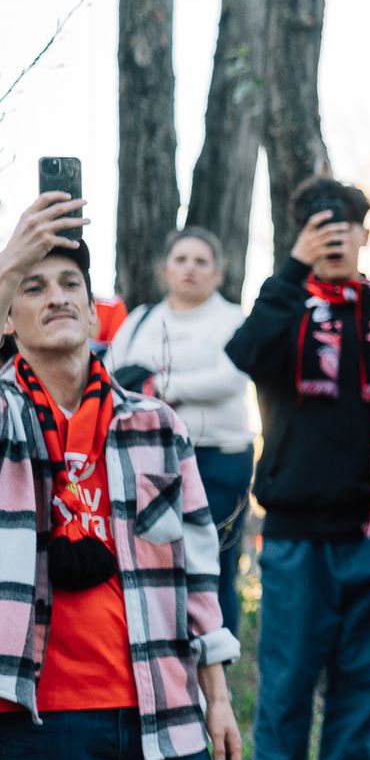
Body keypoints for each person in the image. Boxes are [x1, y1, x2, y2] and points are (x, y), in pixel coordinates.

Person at [0, 194, 252, 760]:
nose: (56, 299)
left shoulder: (154, 424)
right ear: (7, 318)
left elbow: (197, 569)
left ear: (94, 305)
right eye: (33, 287)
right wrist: (6, 261)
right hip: (40, 716)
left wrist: (219, 694)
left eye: (70, 285)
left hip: (159, 704)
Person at [226, 179, 370, 760]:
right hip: (298, 537)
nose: (334, 235)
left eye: (345, 226)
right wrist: (291, 272)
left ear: (366, 234)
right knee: (285, 684)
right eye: (318, 226)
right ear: (301, 235)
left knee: (360, 686)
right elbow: (244, 353)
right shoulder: (284, 318)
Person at [105, 227, 254, 636]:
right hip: (146, 459)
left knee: (212, 563)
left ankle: (216, 674)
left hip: (217, 459)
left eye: (201, 261)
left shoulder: (233, 320)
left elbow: (230, 378)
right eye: (181, 259)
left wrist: (158, 387)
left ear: (218, 274)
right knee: (149, 560)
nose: (190, 269)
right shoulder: (140, 320)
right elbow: (110, 379)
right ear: (165, 269)